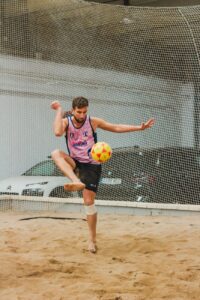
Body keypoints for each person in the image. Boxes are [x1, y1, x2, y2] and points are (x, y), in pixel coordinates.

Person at [51, 96, 155, 253]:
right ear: (73, 111)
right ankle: (75, 180)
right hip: (75, 161)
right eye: (78, 112)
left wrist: (139, 128)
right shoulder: (67, 122)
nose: (81, 115)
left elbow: (115, 127)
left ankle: (92, 240)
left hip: (91, 165)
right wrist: (59, 110)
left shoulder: (93, 122)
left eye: (84, 112)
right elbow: (58, 132)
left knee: (88, 201)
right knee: (55, 153)